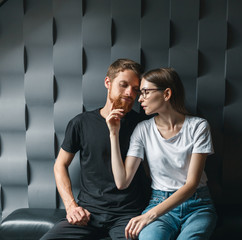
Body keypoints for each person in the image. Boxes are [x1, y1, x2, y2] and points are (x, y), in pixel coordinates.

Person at [41, 59, 150, 240]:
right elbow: (60, 164)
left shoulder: (143, 126)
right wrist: (71, 206)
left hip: (128, 215)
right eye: (123, 85)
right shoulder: (81, 123)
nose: (130, 93)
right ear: (108, 82)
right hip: (88, 213)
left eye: (135, 88)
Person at [106, 68, 217, 240]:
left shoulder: (198, 127)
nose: (140, 99)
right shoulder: (143, 130)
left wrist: (149, 215)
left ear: (166, 94)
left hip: (197, 205)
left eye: (145, 92)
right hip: (159, 201)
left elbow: (191, 184)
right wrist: (113, 134)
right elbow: (122, 181)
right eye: (140, 93)